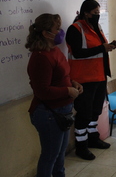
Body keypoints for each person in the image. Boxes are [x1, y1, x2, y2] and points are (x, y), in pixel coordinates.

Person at [26, 13, 83, 177]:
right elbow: (42, 91)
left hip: (62, 111)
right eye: (57, 29)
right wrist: (67, 91)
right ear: (45, 33)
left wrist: (73, 83)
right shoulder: (40, 57)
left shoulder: (54, 50)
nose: (60, 32)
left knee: (59, 156)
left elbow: (62, 76)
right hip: (48, 113)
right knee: (50, 157)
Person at [66, 0, 116, 160]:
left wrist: (109, 46)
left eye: (99, 12)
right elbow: (77, 53)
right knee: (84, 113)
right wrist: (102, 48)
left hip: (99, 75)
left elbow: (99, 49)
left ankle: (93, 138)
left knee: (95, 111)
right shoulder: (75, 29)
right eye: (95, 13)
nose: (97, 15)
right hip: (84, 79)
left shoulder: (96, 27)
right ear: (86, 13)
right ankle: (81, 146)